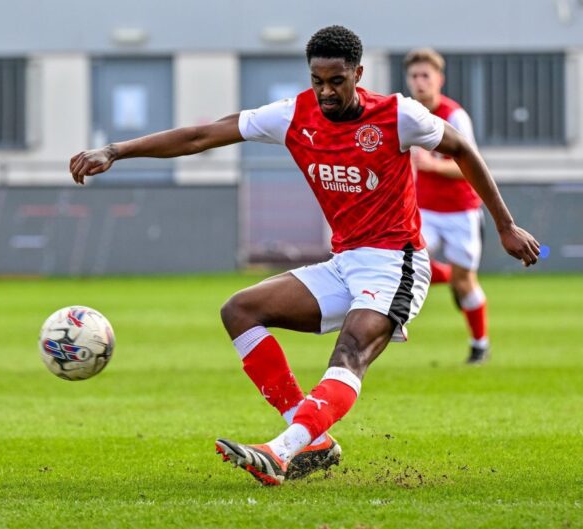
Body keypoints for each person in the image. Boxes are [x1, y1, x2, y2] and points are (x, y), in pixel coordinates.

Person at [69, 25, 540, 486]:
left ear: (358, 73)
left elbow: (461, 148)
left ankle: (281, 451)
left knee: (350, 351)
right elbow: (201, 136)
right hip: (346, 262)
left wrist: (503, 224)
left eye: (337, 81)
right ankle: (309, 437)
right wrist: (115, 150)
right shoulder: (293, 115)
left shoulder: (398, 114)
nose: (326, 91)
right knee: (240, 310)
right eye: (317, 81)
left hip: (397, 261)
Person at [404, 48, 491, 364]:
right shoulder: (407, 114)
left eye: (425, 75)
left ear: (439, 79)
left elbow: (471, 165)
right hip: (424, 210)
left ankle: (479, 343)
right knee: (407, 264)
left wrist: (431, 166)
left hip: (461, 212)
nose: (419, 82)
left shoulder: (454, 116)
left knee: (464, 282)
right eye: (414, 76)